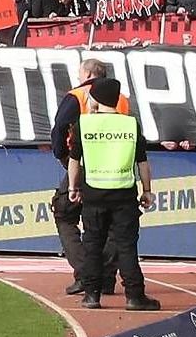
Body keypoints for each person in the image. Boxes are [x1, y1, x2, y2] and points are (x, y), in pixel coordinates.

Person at [66, 76, 161, 312]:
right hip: (124, 195)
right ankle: (134, 296)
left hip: (94, 195)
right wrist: (147, 190)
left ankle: (91, 295)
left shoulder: (83, 124)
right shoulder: (130, 124)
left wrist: (72, 188)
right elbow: (142, 163)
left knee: (92, 245)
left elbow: (74, 161)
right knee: (126, 247)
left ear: (96, 99)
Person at [48, 58, 125, 297]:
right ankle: (107, 277)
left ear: (89, 73)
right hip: (118, 167)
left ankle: (87, 273)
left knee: (64, 214)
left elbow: (60, 126)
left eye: (80, 72)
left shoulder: (78, 95)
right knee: (112, 224)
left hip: (84, 163)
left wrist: (62, 155)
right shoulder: (121, 98)